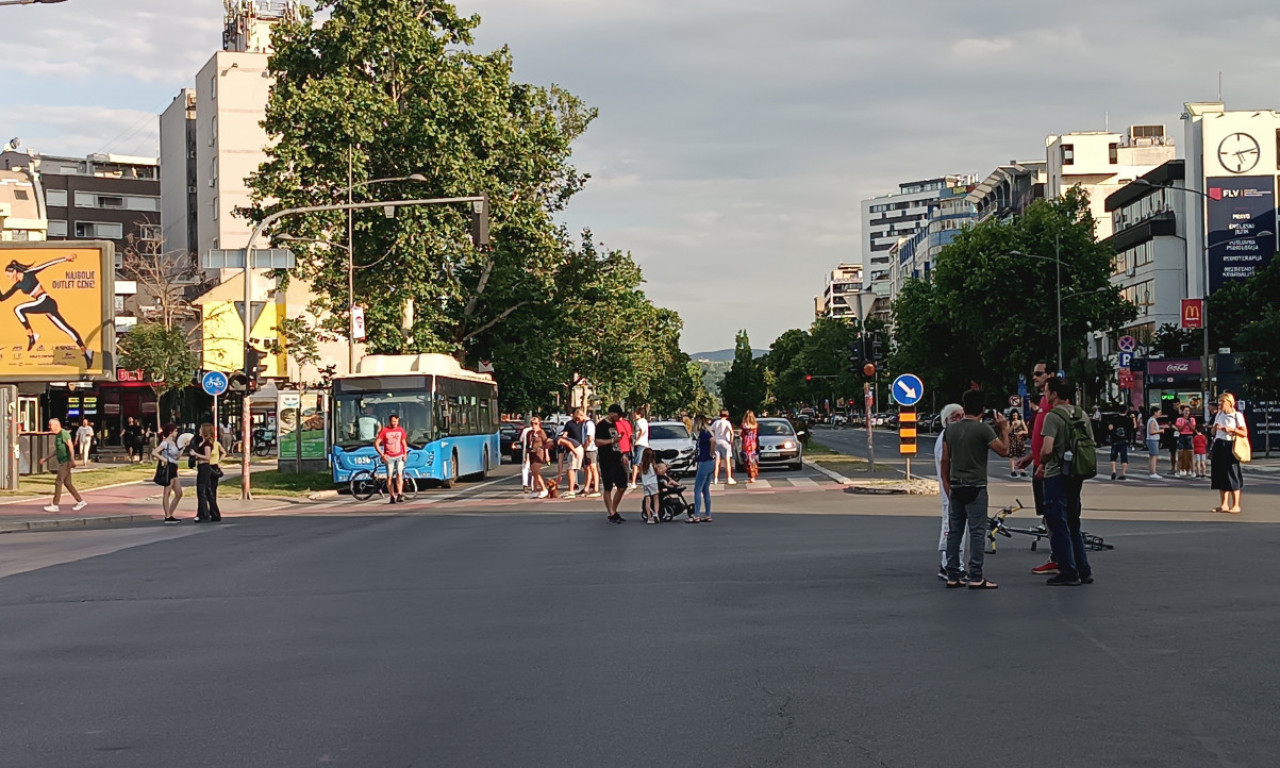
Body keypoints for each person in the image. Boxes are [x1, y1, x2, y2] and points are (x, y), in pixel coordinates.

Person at [940, 390, 1010, 589]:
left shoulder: (950, 430)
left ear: (964, 407)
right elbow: (1004, 450)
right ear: (983, 410)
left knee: (955, 532)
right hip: (976, 486)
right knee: (977, 532)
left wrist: (947, 484)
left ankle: (952, 575)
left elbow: (945, 459)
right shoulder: (983, 430)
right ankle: (976, 576)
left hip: (956, 485)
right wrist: (1004, 429)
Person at [1037, 377, 1094, 586]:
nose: (1044, 394)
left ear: (1054, 393)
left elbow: (1047, 449)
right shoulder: (1081, 414)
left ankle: (1068, 571)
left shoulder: (1053, 416)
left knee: (1057, 523)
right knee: (1073, 522)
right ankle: (1083, 569)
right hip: (1076, 473)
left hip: (1056, 474)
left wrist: (1042, 463)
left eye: (1046, 390)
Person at [0, 256, 94, 367]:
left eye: (9, 275)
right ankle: (86, 352)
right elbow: (3, 298)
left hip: (45, 301)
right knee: (66, 328)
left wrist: (65, 259)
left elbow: (47, 264)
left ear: (14, 272)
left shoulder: (29, 274)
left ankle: (32, 335)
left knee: (18, 309)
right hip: (45, 305)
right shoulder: (17, 285)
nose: (9, 278)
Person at [1015, 361, 1059, 576]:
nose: (1034, 377)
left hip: (1048, 467)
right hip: (1039, 464)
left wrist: (1042, 463)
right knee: (1047, 515)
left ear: (1051, 375)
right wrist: (1030, 457)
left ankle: (1059, 558)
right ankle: (1058, 556)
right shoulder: (1043, 400)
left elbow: (1054, 437)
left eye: (1039, 373)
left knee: (1053, 514)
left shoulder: (1053, 402)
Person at [934, 403, 964, 579]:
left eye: (962, 415)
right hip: (950, 492)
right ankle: (948, 565)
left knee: (958, 529)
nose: (960, 419)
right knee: (950, 528)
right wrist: (950, 493)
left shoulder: (953, 437)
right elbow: (945, 469)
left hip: (956, 491)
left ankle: (955, 563)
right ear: (946, 421)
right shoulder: (945, 439)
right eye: (955, 417)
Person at [38, 417, 87, 513]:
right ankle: (80, 501)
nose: (49, 427)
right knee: (67, 483)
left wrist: (72, 459)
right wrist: (46, 458)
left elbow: (70, 446)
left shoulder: (63, 433)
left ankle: (55, 504)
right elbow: (57, 450)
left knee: (58, 481)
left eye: (50, 425)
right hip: (62, 461)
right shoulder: (57, 436)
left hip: (66, 461)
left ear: (56, 425)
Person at [1210, 392, 1248, 514]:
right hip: (1219, 444)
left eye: (1222, 401)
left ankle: (1236, 505)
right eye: (1219, 402)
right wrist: (1215, 428)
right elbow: (1213, 433)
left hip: (1230, 445)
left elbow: (1244, 433)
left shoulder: (1237, 416)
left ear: (1230, 403)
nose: (1220, 404)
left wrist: (1231, 429)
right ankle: (1224, 505)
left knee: (1232, 473)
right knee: (1220, 474)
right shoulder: (1219, 414)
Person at [594, 405, 630, 523]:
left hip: (617, 457)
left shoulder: (617, 424)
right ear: (611, 413)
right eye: (617, 415)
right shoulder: (601, 425)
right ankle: (611, 513)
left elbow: (620, 442)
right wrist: (612, 441)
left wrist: (623, 454)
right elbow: (597, 442)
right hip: (606, 459)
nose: (618, 417)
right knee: (608, 487)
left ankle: (613, 510)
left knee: (622, 485)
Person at [151, 423, 183, 523]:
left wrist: (183, 448)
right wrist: (163, 459)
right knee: (167, 492)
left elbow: (177, 457)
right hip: (169, 467)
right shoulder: (165, 443)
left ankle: (170, 513)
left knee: (179, 493)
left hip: (174, 467)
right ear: (170, 432)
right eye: (175, 431)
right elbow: (154, 452)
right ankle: (167, 515)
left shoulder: (174, 443)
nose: (177, 433)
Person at [192, 423, 223, 523]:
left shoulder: (207, 444)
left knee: (202, 491)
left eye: (201, 429)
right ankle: (214, 513)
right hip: (201, 467)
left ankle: (204, 514)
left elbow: (207, 457)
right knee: (208, 491)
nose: (199, 431)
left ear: (204, 431)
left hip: (205, 467)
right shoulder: (201, 442)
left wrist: (196, 454)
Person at [375, 414, 409, 505]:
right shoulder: (384, 430)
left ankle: (400, 494)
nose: (395, 423)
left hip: (399, 456)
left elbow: (404, 443)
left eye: (397, 421)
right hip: (389, 457)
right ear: (390, 421)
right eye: (393, 421)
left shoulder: (400, 430)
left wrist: (405, 454)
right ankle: (392, 496)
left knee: (399, 474)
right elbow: (376, 443)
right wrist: (382, 455)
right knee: (389, 477)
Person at [691, 415, 714, 522]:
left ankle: (696, 515)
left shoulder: (704, 433)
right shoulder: (706, 432)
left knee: (697, 489)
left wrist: (711, 453)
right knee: (705, 489)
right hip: (709, 462)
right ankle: (708, 514)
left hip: (705, 462)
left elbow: (713, 441)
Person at [525, 417, 549, 499]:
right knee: (533, 473)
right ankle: (534, 490)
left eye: (535, 423)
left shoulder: (541, 432)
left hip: (539, 453)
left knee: (535, 471)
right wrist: (526, 456)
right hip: (531, 453)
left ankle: (544, 488)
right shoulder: (529, 433)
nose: (533, 425)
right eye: (532, 423)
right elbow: (527, 445)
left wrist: (547, 455)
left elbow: (546, 444)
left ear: (539, 424)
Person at [711, 409, 736, 485]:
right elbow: (731, 432)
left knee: (717, 462)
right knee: (727, 461)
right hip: (725, 442)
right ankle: (729, 478)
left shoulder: (716, 422)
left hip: (717, 442)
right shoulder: (727, 423)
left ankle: (715, 478)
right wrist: (731, 441)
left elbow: (711, 430)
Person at [629, 406, 650, 488]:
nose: (634, 415)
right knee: (641, 463)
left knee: (636, 463)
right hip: (644, 444)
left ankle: (633, 482)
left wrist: (637, 440)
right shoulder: (644, 421)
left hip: (640, 444)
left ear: (639, 414)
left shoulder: (639, 422)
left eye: (635, 414)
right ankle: (644, 480)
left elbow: (642, 431)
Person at [1175, 406, 1197, 478]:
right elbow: (1179, 429)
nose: (1187, 412)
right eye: (1185, 410)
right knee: (1180, 455)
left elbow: (1193, 429)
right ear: (1183, 412)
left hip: (1189, 436)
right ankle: (1178, 471)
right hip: (1182, 436)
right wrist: (1184, 424)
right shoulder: (1179, 419)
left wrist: (1188, 423)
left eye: (1188, 411)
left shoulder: (1192, 419)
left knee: (1191, 456)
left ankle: (1193, 471)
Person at [638, 447, 659, 524]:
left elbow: (640, 474)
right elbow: (656, 471)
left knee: (647, 500)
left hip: (645, 483)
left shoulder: (642, 464)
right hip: (653, 482)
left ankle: (649, 518)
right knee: (656, 498)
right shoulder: (652, 463)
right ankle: (656, 513)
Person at [583, 412, 601, 498]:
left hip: (590, 449)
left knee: (593, 468)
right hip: (588, 448)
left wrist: (584, 447)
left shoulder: (589, 424)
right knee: (588, 469)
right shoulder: (586, 423)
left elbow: (590, 438)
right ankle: (586, 488)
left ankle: (596, 488)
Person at [740, 410, 760, 483]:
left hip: (746, 444)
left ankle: (751, 476)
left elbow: (742, 433)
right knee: (753, 460)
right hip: (753, 444)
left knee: (747, 460)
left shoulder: (744, 425)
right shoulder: (755, 425)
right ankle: (753, 476)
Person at [1007, 410, 1028, 478]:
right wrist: (1012, 426)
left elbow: (1026, 431)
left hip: (1020, 440)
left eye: (1016, 415)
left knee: (1021, 455)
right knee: (1012, 455)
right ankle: (1012, 471)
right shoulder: (1009, 422)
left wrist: (1021, 432)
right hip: (1012, 440)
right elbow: (1008, 432)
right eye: (1013, 415)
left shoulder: (1021, 421)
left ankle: (1022, 470)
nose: (1015, 417)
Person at [1108, 416, 1129, 481]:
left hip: (1115, 441)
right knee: (1124, 457)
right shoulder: (1127, 419)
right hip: (1124, 440)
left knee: (1113, 457)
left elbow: (1110, 428)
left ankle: (1114, 471)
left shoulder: (1114, 418)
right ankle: (1123, 473)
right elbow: (1134, 427)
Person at [1145, 406, 1164, 479]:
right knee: (1154, 456)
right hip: (1153, 440)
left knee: (1152, 456)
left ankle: (1152, 472)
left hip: (1152, 440)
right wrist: (1160, 431)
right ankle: (1153, 472)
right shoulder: (1152, 420)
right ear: (1155, 412)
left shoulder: (1152, 420)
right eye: (1159, 412)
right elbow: (1151, 431)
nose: (1160, 414)